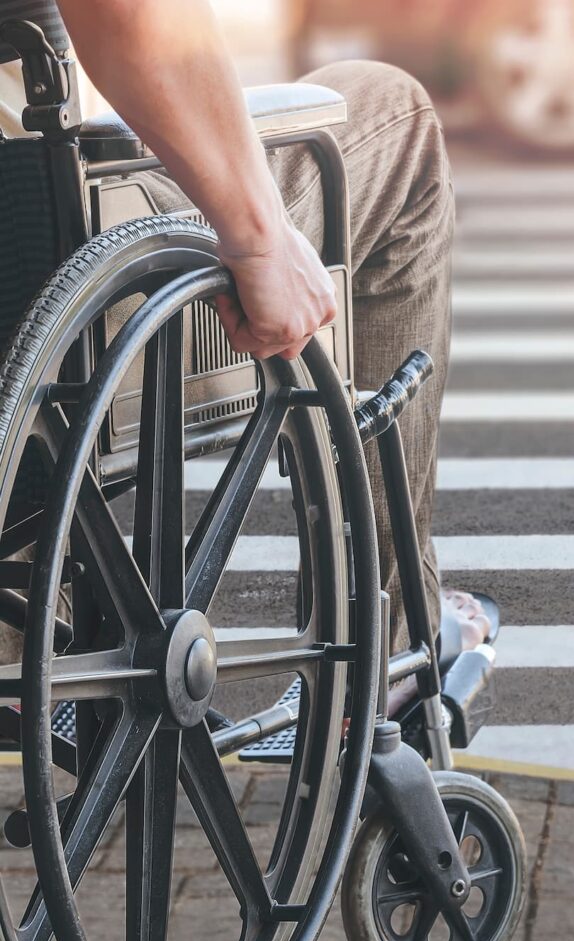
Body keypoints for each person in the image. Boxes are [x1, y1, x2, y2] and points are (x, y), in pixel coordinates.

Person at [0, 0, 491, 675]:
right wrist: (257, 236)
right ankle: (383, 663)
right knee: (394, 115)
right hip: (32, 265)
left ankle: (22, 624)